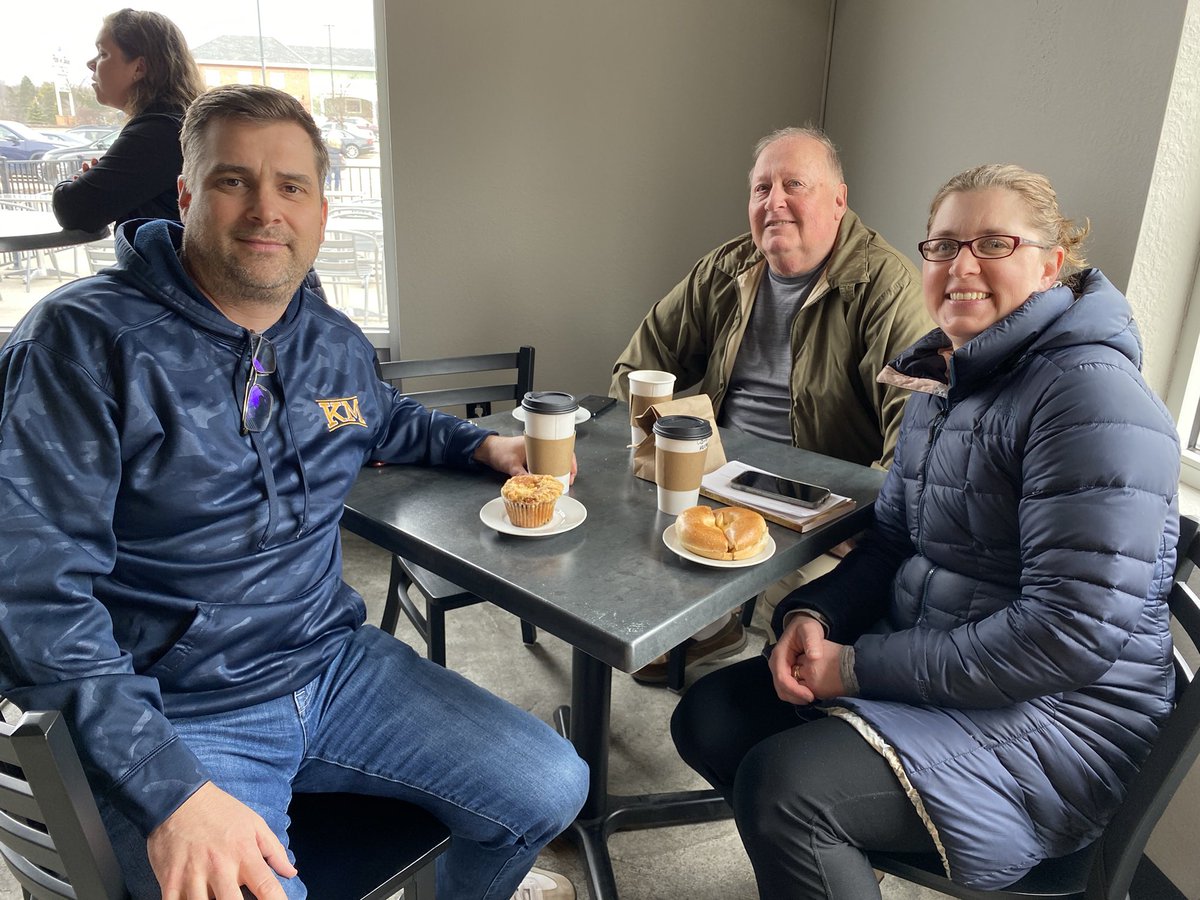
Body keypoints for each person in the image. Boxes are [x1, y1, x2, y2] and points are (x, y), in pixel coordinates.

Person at [0, 84, 586, 900]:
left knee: (551, 787)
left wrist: (483, 442)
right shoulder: (81, 344)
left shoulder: (327, 339)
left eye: (291, 186)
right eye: (233, 180)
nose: (264, 209)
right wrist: (169, 789)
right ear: (186, 195)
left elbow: (383, 419)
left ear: (318, 210)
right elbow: (34, 600)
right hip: (179, 709)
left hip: (334, 664)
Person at [670, 163, 1181, 898]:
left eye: (994, 243)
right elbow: (891, 539)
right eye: (942, 247)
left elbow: (1067, 635)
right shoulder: (947, 378)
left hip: (1061, 722)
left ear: (1051, 264)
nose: (960, 266)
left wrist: (854, 667)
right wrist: (816, 615)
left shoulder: (1092, 398)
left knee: (790, 790)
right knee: (711, 717)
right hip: (947, 671)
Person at [610, 126, 931, 682]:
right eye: (761, 189)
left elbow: (916, 428)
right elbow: (639, 365)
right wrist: (653, 436)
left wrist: (871, 520)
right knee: (618, 567)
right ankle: (716, 628)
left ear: (838, 200)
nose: (774, 202)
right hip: (720, 476)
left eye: (793, 185)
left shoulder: (886, 286)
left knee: (787, 655)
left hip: (819, 504)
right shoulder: (725, 268)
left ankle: (743, 653)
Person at [52, 8, 204, 232]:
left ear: (139, 68)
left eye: (103, 53)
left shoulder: (158, 131)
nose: (91, 64)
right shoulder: (174, 121)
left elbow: (73, 210)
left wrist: (74, 183)